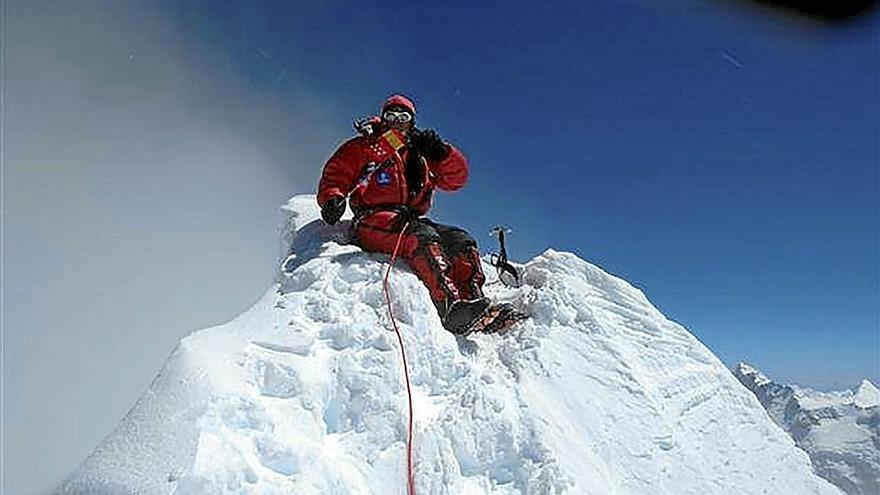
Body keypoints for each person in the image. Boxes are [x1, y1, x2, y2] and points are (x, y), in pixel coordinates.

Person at [316, 94, 504, 334]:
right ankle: (449, 306)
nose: (396, 122)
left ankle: (475, 302)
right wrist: (332, 198)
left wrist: (441, 153)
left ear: (412, 121)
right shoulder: (367, 146)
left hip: (409, 216)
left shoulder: (421, 153)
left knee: (460, 239)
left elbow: (456, 179)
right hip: (373, 218)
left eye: (403, 117)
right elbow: (337, 174)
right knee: (422, 237)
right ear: (383, 118)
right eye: (391, 116)